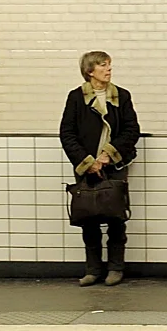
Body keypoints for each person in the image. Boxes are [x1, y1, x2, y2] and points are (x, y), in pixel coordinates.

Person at [59, 51, 141, 287]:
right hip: (86, 167)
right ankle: (93, 270)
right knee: (89, 218)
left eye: (109, 65)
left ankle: (116, 268)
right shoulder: (76, 98)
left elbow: (131, 130)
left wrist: (108, 155)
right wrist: (87, 162)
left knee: (116, 217)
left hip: (113, 165)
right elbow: (67, 133)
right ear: (89, 71)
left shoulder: (121, 96)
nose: (108, 69)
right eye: (103, 65)